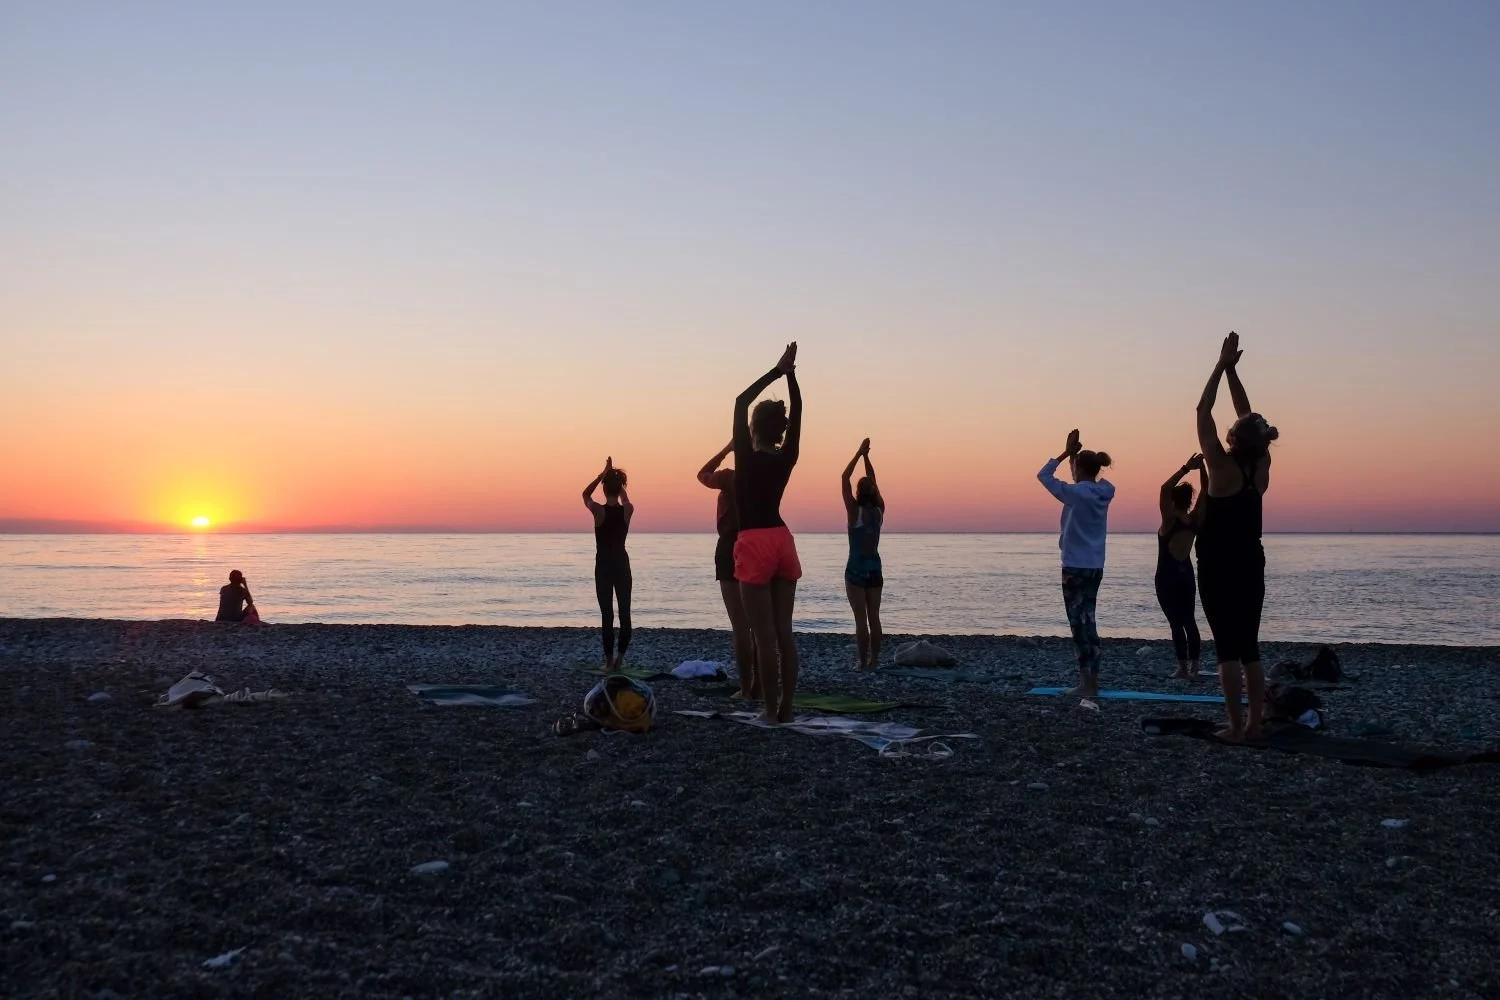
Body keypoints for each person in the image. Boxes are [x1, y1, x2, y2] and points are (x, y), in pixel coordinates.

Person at [1195, 331, 1279, 741]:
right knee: (1250, 647)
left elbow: (1203, 409)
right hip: (1250, 559)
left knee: (1226, 648)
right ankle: (1254, 725)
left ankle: (1234, 727)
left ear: (1232, 439)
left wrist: (1219, 366)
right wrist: (1233, 372)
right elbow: (1248, 416)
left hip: (1217, 562)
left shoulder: (1219, 466)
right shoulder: (1261, 466)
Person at [733, 342, 802, 724]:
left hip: (755, 541)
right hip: (782, 539)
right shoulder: (787, 457)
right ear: (781, 430)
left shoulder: (744, 456)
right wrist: (792, 377)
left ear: (753, 429)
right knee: (784, 633)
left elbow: (740, 400)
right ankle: (787, 709)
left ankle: (770, 712)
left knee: (763, 635)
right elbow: (799, 410)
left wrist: (778, 371)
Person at [1037, 430, 1115, 700]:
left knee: (1078, 625)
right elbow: (1078, 480)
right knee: (1089, 621)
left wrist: (1063, 453)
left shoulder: (1076, 493)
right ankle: (1093, 682)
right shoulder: (1102, 492)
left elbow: (1044, 476)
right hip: (1095, 565)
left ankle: (1085, 684)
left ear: (1079, 469)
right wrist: (1073, 456)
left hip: (1074, 566)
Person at [697, 442, 757, 698]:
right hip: (758, 543)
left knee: (740, 625)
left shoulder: (729, 477)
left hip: (731, 543)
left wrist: (725, 450)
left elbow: (703, 474)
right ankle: (760, 683)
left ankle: (746, 687)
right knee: (759, 624)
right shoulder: (764, 477)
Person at [1157, 453, 1207, 679]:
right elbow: (1206, 491)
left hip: (1167, 576)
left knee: (1176, 623)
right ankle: (1194, 667)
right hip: (1186, 575)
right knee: (1190, 621)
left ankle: (1182, 668)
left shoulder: (1169, 519)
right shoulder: (1194, 520)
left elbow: (1164, 487)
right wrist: (1203, 469)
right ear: (1189, 501)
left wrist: (1186, 468)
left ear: (1173, 501)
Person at [583, 458, 634, 671]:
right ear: (620, 488)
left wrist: (601, 475)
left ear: (604, 490)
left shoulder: (598, 511)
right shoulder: (628, 510)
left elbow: (585, 495)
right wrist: (615, 481)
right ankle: (619, 660)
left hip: (603, 566)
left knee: (607, 615)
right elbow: (625, 499)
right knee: (624, 613)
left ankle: (608, 661)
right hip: (621, 564)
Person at [841, 437, 885, 670]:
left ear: (858, 492)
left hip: (856, 569)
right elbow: (874, 481)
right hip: (875, 568)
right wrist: (867, 457)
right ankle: (874, 661)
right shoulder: (879, 511)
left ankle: (861, 661)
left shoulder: (853, 510)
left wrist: (859, 454)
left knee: (861, 619)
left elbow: (844, 478)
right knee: (874, 617)